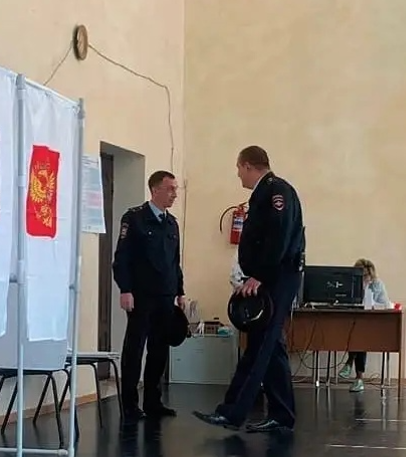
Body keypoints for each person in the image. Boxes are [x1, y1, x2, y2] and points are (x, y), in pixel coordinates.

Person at [194, 146, 306, 433]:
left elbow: (278, 237)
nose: (238, 175)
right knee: (269, 346)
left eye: (238, 168)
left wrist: (259, 275)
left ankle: (233, 412)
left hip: (277, 277)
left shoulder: (275, 191)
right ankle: (281, 415)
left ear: (247, 165)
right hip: (270, 276)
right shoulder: (264, 193)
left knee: (260, 347)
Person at [112, 170, 185, 422]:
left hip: (165, 295)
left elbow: (174, 262)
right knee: (135, 350)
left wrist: (180, 291)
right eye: (170, 189)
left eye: (176, 189)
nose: (175, 194)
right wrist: (125, 289)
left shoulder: (171, 223)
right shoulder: (135, 218)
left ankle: (153, 401)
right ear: (155, 190)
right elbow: (122, 258)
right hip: (141, 296)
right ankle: (130, 404)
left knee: (159, 349)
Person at [337, 258, 392, 392]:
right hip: (355, 324)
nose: (364, 278)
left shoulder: (377, 285)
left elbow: (385, 304)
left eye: (366, 275)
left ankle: (350, 364)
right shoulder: (349, 284)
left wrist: (372, 304)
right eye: (360, 275)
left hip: (373, 325)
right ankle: (358, 378)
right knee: (357, 335)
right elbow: (341, 301)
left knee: (360, 337)